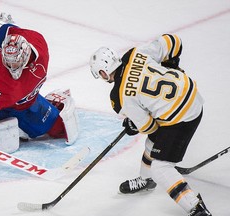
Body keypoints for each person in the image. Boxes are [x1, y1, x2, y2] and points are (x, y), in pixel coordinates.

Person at [89, 34, 212, 216]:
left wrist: (134, 125)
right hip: (191, 93)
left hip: (183, 117)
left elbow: (149, 127)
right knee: (153, 143)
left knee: (161, 168)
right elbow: (173, 41)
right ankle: (147, 180)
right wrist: (172, 66)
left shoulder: (119, 97)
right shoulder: (134, 54)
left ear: (103, 72)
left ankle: (195, 208)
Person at [0, 13, 79, 160]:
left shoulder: (38, 42)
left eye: (16, 63)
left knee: (59, 128)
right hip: (5, 108)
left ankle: (23, 127)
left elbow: (12, 32)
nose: (12, 67)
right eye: (8, 63)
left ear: (26, 53)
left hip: (30, 103)